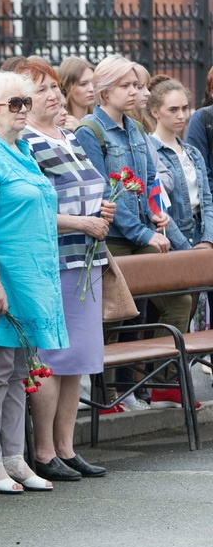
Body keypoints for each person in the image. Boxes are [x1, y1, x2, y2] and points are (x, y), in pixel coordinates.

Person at [0, 72, 66, 493]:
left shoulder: (20, 149)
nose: (24, 109)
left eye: (26, 102)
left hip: (32, 273)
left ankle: (14, 457)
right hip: (5, 274)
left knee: (20, 370)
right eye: (15, 103)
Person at [13, 60, 115, 481]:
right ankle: (43, 450)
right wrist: (80, 221)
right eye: (41, 91)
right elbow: (31, 209)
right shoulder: (26, 143)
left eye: (55, 87)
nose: (54, 95)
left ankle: (67, 447)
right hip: (53, 259)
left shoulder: (70, 135)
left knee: (77, 359)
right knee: (51, 359)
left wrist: (101, 209)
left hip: (86, 258)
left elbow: (87, 187)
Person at [75, 55, 189, 410]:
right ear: (105, 91)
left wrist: (158, 214)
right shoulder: (90, 131)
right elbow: (105, 192)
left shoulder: (136, 129)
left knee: (178, 302)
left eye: (136, 85)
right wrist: (143, 234)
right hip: (113, 239)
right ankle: (108, 393)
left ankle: (158, 382)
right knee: (117, 314)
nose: (135, 92)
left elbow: (151, 180)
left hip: (142, 233)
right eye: (126, 86)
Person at [148, 76, 213, 408]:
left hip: (197, 238)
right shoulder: (151, 151)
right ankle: (162, 381)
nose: (182, 115)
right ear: (156, 112)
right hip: (172, 242)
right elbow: (159, 205)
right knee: (176, 307)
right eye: (173, 109)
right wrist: (186, 251)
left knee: (188, 311)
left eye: (186, 108)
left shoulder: (191, 152)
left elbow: (207, 199)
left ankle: (171, 379)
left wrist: (208, 240)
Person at [59, 56, 95, 131]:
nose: (91, 89)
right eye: (83, 84)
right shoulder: (60, 121)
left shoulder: (101, 119)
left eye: (93, 82)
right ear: (67, 86)